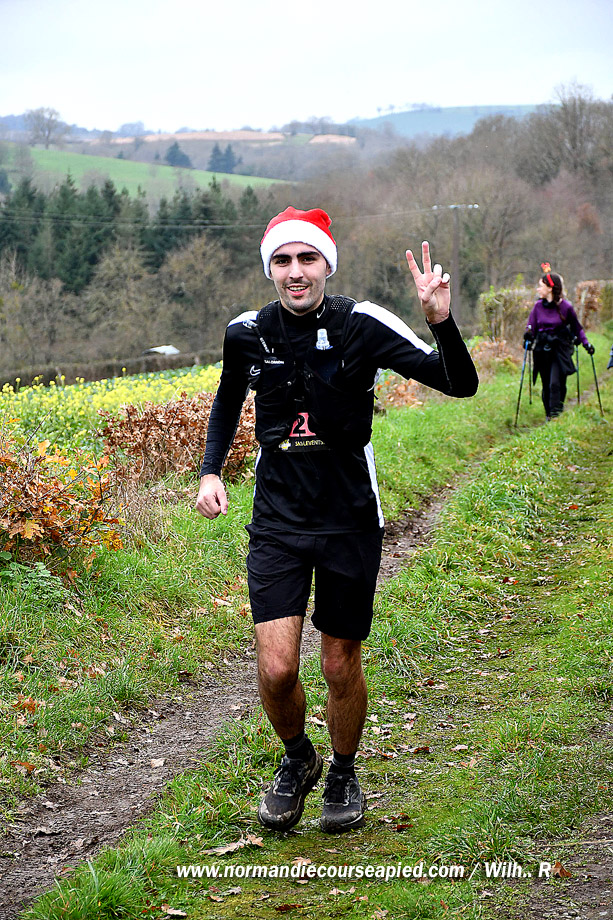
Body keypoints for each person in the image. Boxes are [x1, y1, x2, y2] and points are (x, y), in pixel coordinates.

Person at [195, 206, 478, 834]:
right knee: (277, 669)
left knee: (338, 663)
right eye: (282, 260)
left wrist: (440, 320)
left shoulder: (363, 324)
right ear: (270, 269)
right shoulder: (246, 333)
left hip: (349, 518)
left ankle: (344, 772)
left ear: (327, 264)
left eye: (307, 258)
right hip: (277, 518)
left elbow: (459, 384)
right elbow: (226, 400)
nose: (295, 271)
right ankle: (299, 759)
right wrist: (210, 471)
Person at [524, 263, 594, 419]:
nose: (538, 289)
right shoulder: (537, 307)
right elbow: (531, 326)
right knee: (546, 385)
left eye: (540, 286)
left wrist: (586, 344)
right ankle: (549, 415)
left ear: (550, 288)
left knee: (556, 384)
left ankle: (556, 415)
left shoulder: (566, 307)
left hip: (560, 350)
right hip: (542, 350)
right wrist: (528, 335)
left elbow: (577, 328)